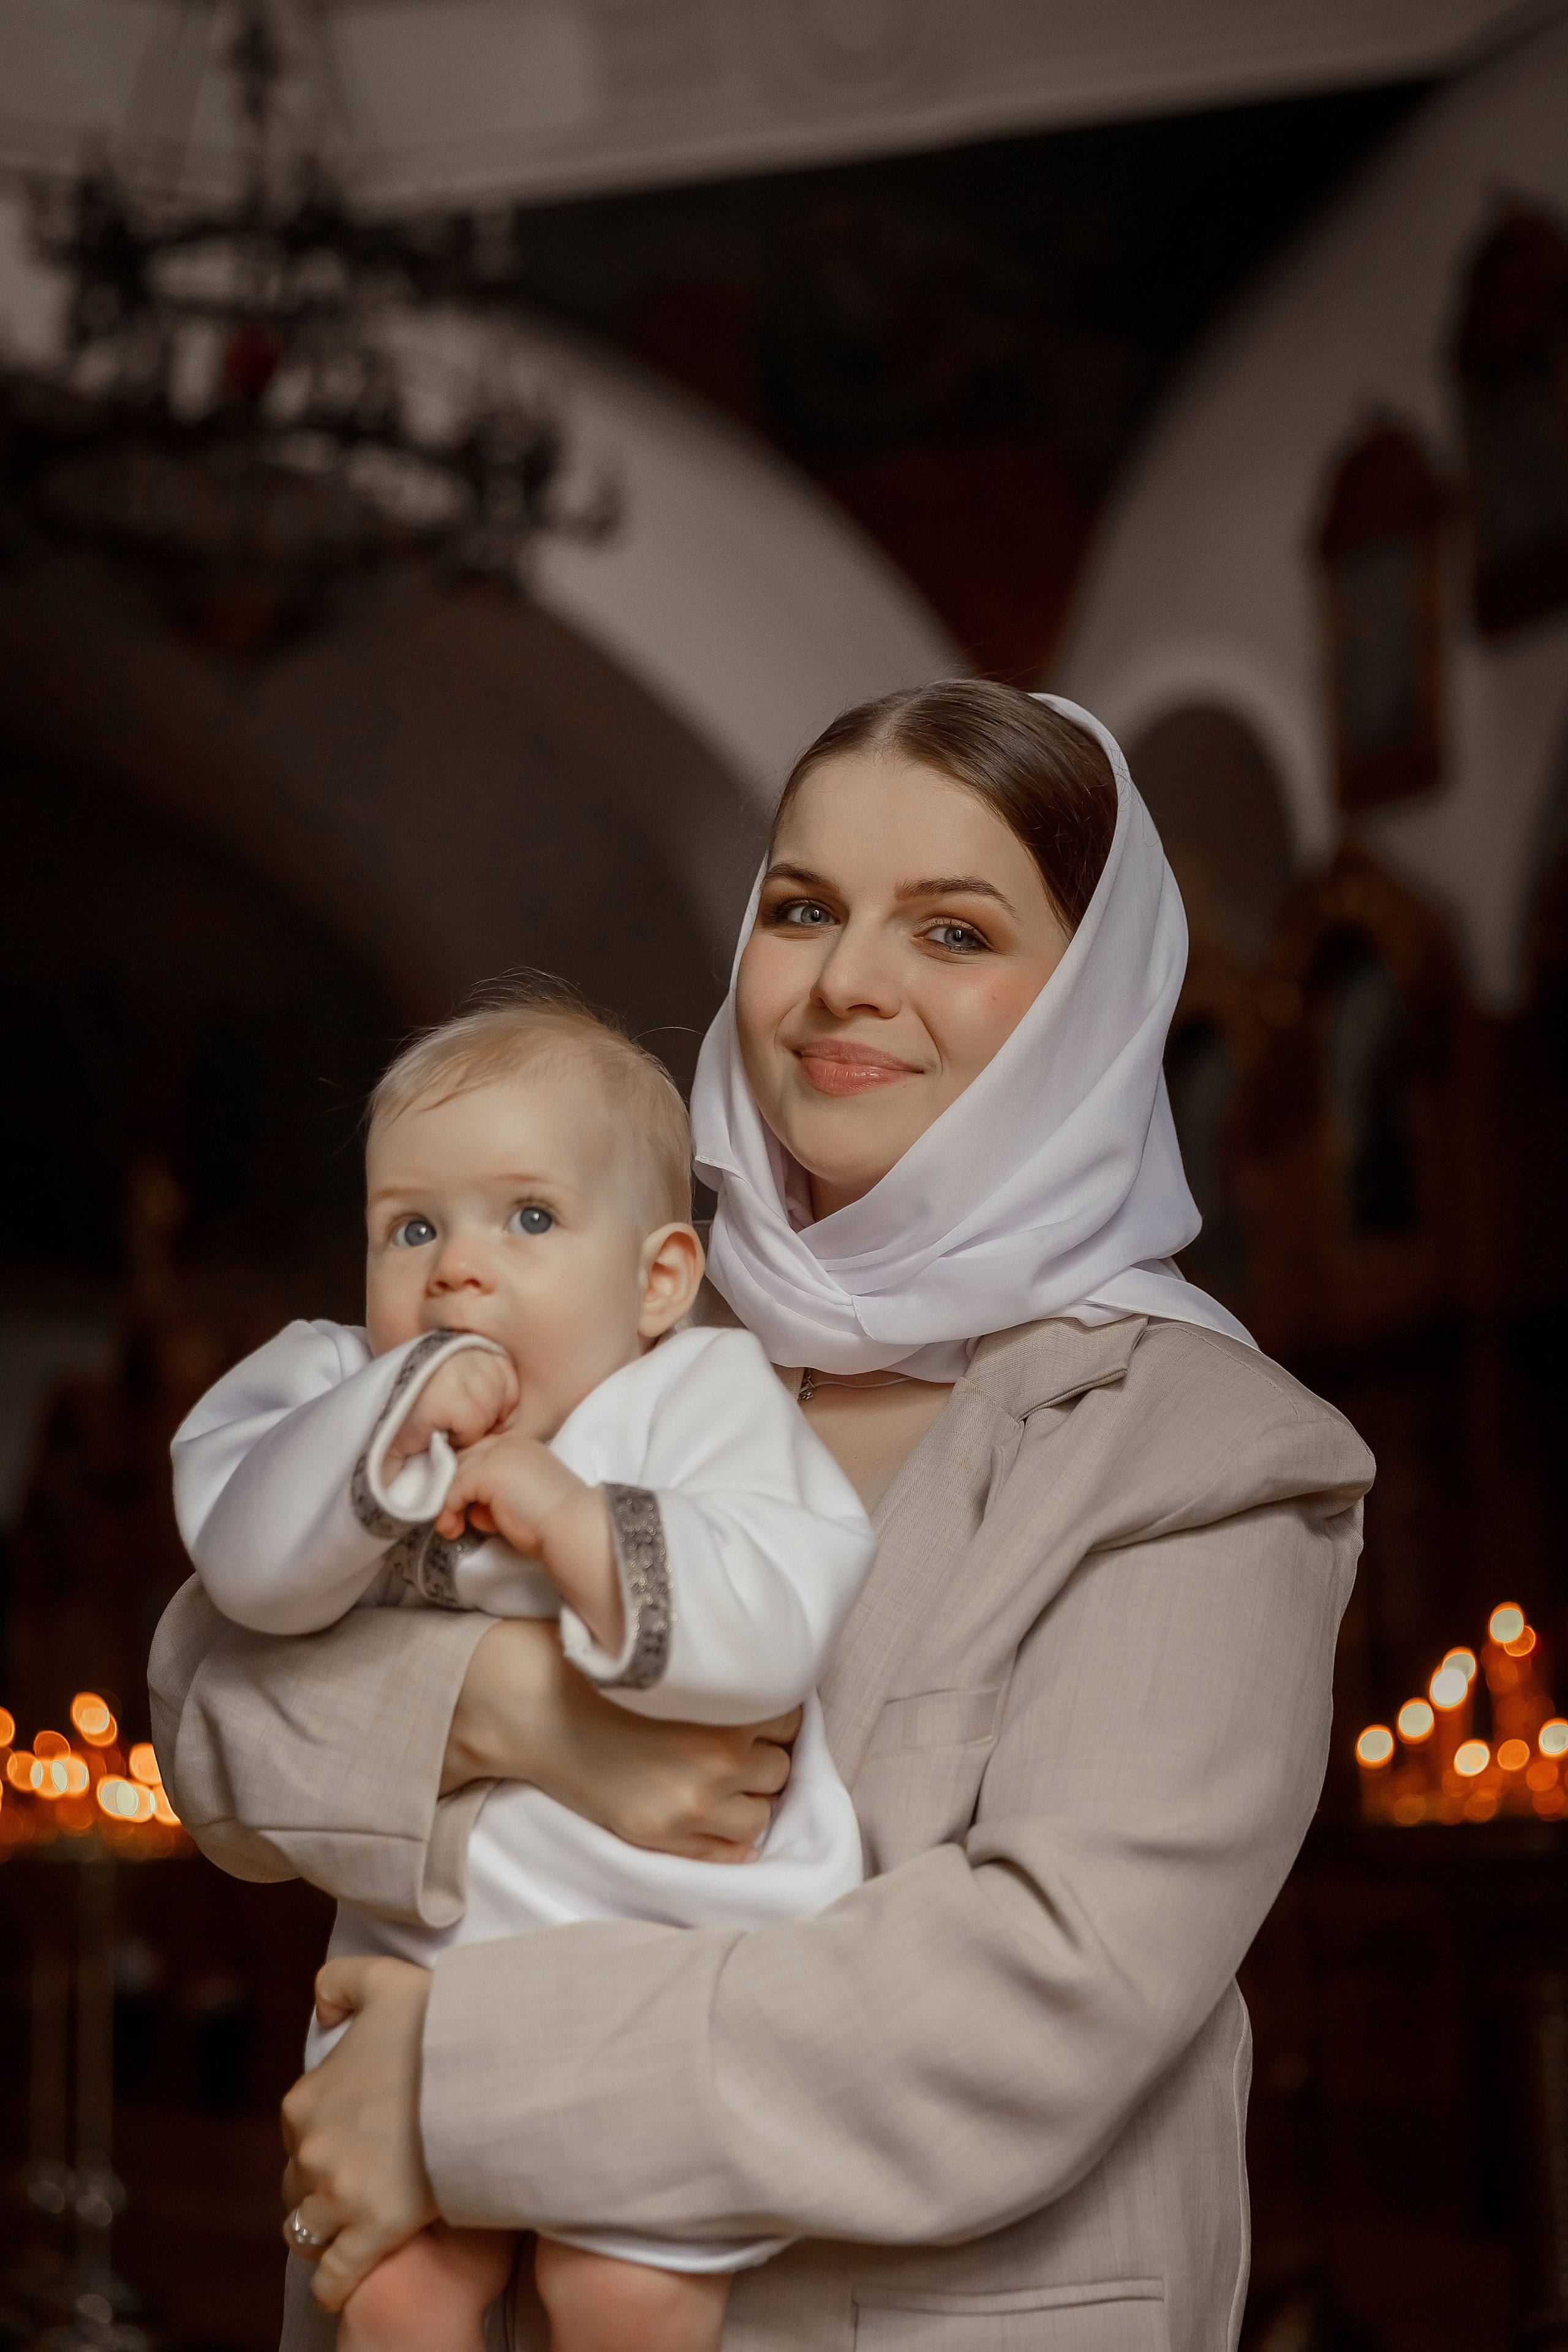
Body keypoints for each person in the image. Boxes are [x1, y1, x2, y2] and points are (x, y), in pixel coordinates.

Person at [151, 682, 1374, 2352]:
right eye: (804, 909)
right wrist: (515, 1721)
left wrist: (454, 2083)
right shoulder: (625, 1324)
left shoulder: (1200, 1452)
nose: (846, 981)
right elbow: (205, 1696)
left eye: (953, 930)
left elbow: (1037, 1994)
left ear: (1093, 1000)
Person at [168, 992, 874, 2352]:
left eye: (529, 1219)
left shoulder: (700, 1398)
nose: (456, 1272)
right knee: (393, 2288)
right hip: (428, 1951)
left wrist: (573, 1524)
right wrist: (383, 1424)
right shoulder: (334, 1397)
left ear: (658, 1280)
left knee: (629, 2292)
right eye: (411, 1227)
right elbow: (242, 1575)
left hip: (665, 1961)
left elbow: (778, 1616)